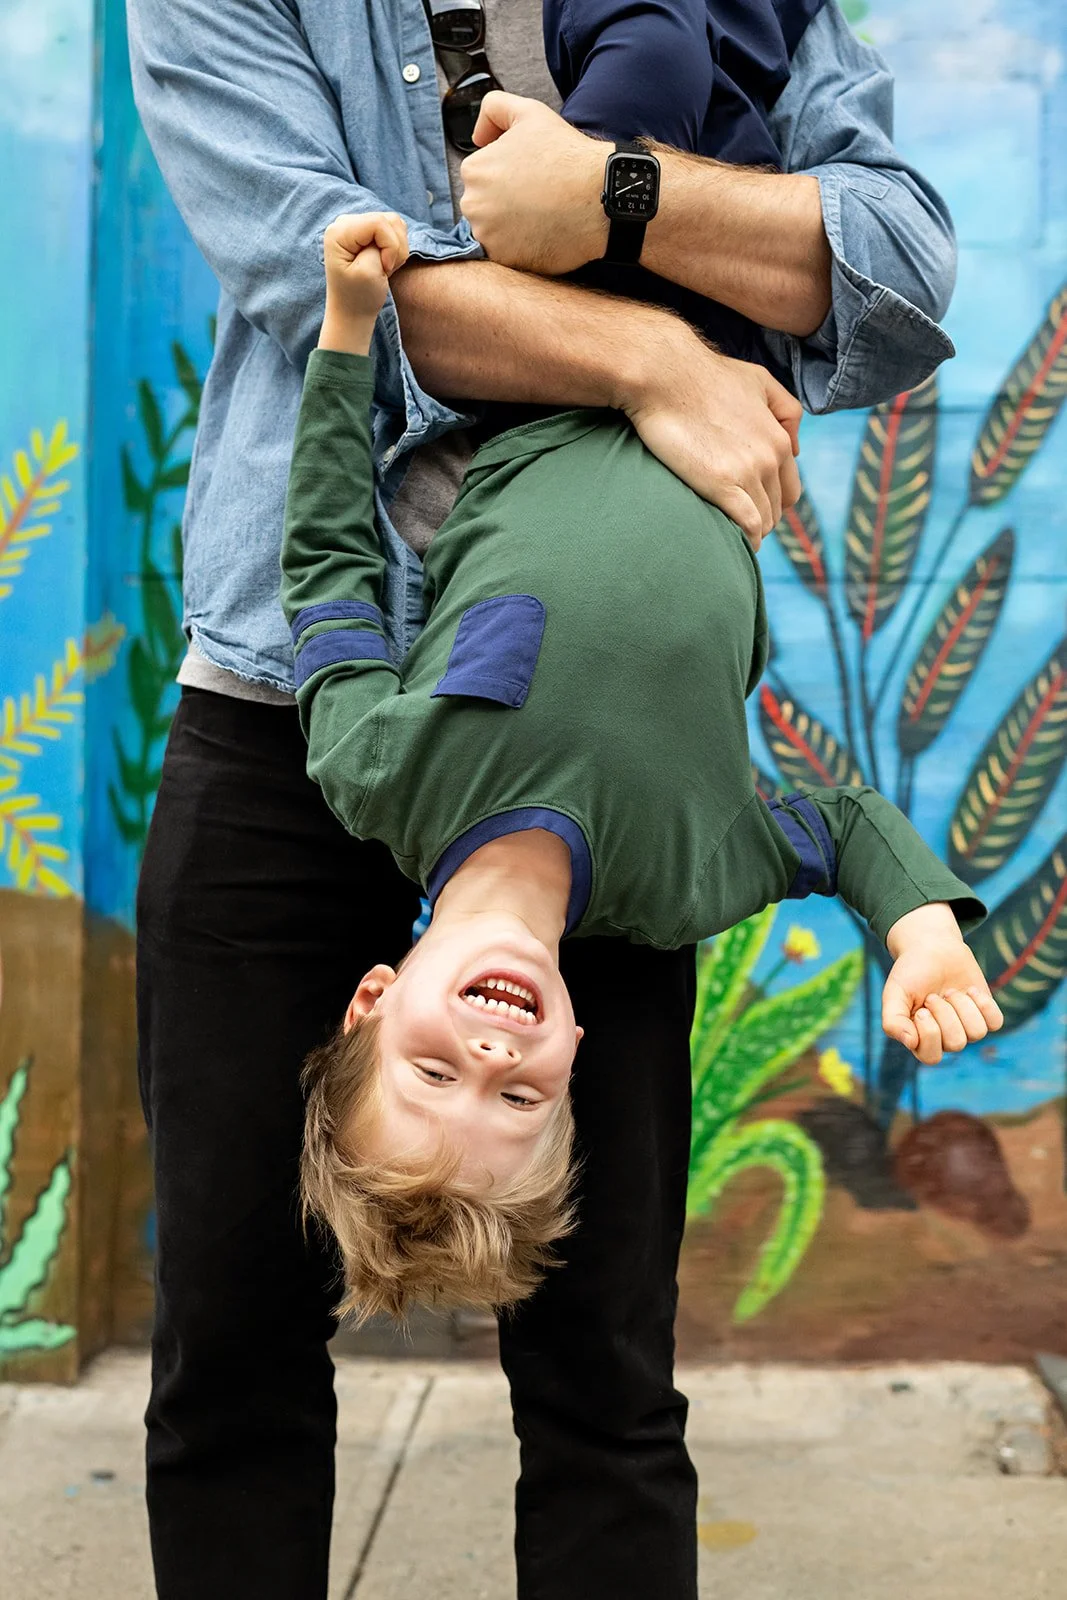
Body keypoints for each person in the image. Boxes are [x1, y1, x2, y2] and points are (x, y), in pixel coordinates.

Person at [128, 0, 962, 1595]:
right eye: (506, 1084)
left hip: (595, 778)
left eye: (472, 1071)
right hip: (286, 708)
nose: (496, 1056)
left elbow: (894, 272)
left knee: (604, 1376)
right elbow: (324, 270)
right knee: (228, 1341)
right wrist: (654, 355)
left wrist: (620, 198)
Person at [284, 209, 1000, 1322]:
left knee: (616, 105)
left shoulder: (376, 772)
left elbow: (328, 563)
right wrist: (922, 934)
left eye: (433, 1073)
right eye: (517, 1097)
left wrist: (345, 328)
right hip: (733, 350)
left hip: (553, 340)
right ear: (571, 1055)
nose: (489, 1051)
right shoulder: (684, 886)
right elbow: (842, 823)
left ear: (372, 1003)